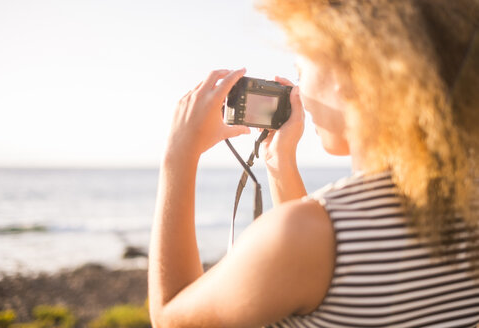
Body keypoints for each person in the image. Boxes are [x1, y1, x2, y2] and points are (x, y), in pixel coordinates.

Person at [148, 0, 479, 326]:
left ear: (351, 70)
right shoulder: (469, 209)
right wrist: (280, 165)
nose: (299, 90)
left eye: (301, 70)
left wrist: (179, 155)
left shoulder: (302, 236)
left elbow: (169, 317)